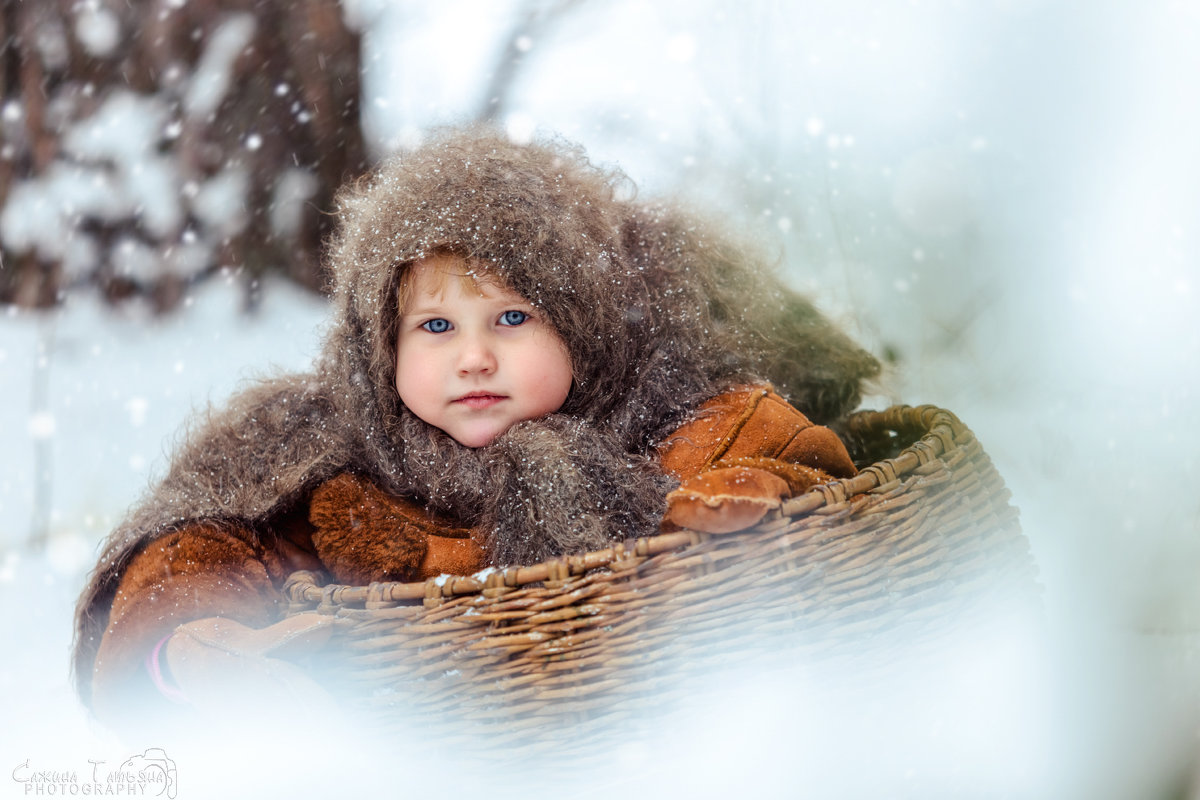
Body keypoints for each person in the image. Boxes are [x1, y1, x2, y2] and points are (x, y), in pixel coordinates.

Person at [72, 126, 879, 730]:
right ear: (382, 346)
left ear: (583, 324)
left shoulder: (665, 417)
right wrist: (186, 635)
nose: (475, 358)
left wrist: (744, 493)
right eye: (436, 328)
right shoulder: (347, 478)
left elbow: (779, 444)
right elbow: (211, 542)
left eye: (512, 316)